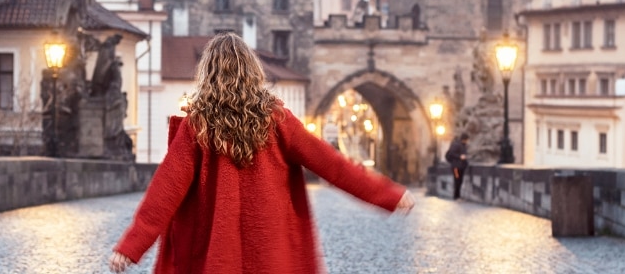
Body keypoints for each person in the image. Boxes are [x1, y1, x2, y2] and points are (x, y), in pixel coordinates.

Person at [109, 33, 414, 273]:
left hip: (218, 254)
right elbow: (333, 164)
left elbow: (165, 190)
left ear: (208, 74)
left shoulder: (197, 126)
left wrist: (130, 246)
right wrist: (388, 194)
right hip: (271, 251)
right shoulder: (278, 120)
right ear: (252, 71)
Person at [445, 133, 470, 200]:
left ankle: (458, 196)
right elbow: (451, 153)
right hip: (456, 167)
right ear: (464, 139)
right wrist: (459, 157)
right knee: (457, 180)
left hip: (461, 167)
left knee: (460, 180)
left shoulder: (464, 145)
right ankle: (456, 196)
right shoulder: (456, 144)